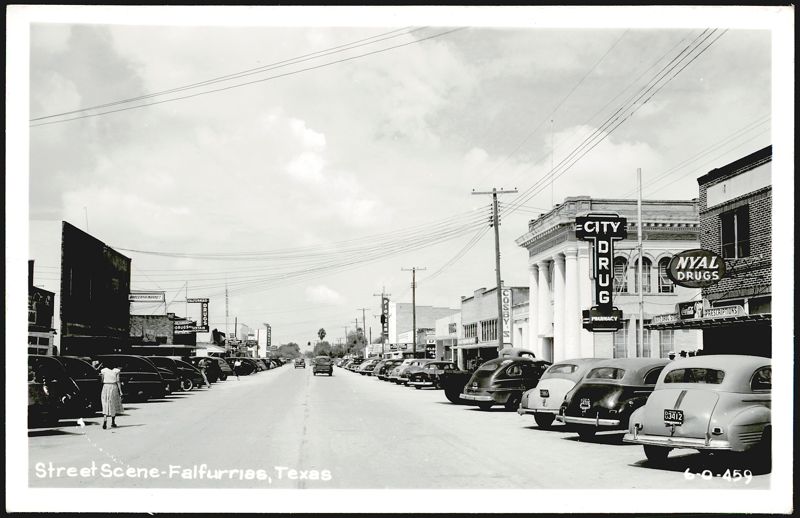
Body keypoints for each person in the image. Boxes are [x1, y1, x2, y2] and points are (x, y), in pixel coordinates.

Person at [99, 363, 124, 429]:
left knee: (105, 403)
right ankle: (113, 422)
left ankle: (105, 419)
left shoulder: (103, 370)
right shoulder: (116, 371)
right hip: (113, 387)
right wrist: (120, 391)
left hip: (106, 387)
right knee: (113, 404)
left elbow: (101, 381)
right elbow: (118, 381)